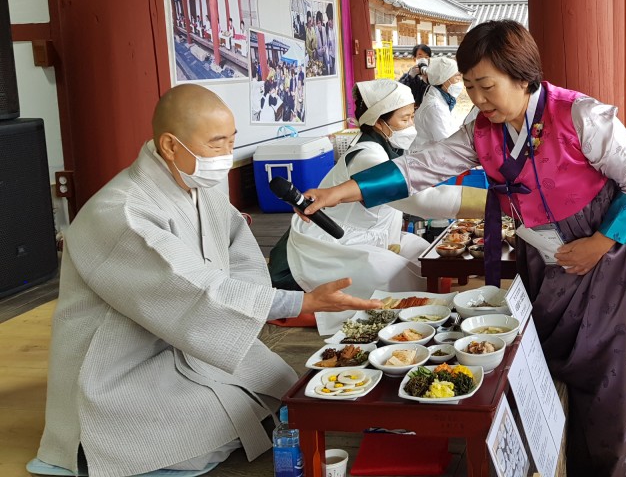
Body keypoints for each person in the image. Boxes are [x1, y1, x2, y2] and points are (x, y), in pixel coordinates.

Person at [303, 20, 626, 476]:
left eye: (487, 86)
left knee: (615, 372)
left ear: (523, 77)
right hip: (548, 256)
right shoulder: (482, 131)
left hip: (614, 247)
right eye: (469, 87)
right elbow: (420, 168)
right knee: (553, 361)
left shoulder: (580, 115)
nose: (479, 99)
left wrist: (600, 242)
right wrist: (340, 191)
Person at [34, 85, 380, 477]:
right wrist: (298, 302)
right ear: (170, 145)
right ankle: (94, 442)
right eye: (217, 144)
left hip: (191, 337)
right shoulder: (122, 213)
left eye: (232, 141)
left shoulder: (201, 187)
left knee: (281, 383)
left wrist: (254, 300)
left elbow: (240, 255)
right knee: (208, 430)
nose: (226, 155)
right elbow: (188, 287)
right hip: (124, 362)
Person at [279, 80, 485, 333]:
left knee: (425, 252)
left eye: (412, 117)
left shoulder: (383, 148)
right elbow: (421, 200)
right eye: (405, 119)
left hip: (371, 234)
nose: (411, 125)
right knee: (396, 275)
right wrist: (492, 201)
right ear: (379, 122)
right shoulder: (367, 157)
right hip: (334, 241)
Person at [409, 57, 463, 153]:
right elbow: (447, 143)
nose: (460, 83)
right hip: (425, 156)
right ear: (443, 79)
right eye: (456, 78)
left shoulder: (445, 100)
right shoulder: (434, 107)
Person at [325, 3, 337, 75]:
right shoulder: (329, 29)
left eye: (331, 19)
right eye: (328, 19)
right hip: (332, 56)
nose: (329, 22)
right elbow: (329, 43)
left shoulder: (337, 30)